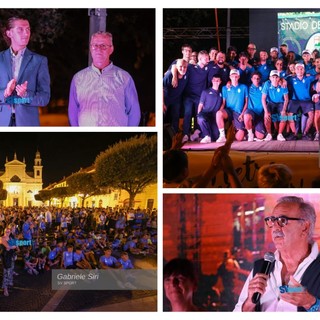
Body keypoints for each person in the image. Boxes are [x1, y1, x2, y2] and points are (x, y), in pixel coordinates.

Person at [234, 196, 320, 312]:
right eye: (273, 220)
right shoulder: (260, 267)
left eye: (282, 221)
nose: (275, 227)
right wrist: (250, 302)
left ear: (304, 227)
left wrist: (311, 303)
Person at [68, 31, 141, 126]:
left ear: (111, 49)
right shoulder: (78, 78)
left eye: (103, 46)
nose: (98, 49)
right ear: (90, 48)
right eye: (95, 45)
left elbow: (134, 111)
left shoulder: (124, 77)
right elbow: (73, 111)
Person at [0, 16, 51, 126]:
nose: (26, 33)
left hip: (27, 123)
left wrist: (26, 95)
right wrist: (6, 93)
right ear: (9, 33)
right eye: (20, 29)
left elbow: (45, 98)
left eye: (28, 29)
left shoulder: (39, 61)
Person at [216, 69, 248, 142]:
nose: (234, 78)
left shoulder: (244, 87)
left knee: (239, 138)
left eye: (236, 76)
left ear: (239, 77)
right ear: (230, 77)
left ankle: (240, 129)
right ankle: (222, 136)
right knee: (218, 113)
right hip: (229, 111)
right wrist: (220, 110)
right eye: (233, 76)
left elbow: (246, 102)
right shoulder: (225, 88)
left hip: (238, 113)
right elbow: (224, 102)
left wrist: (243, 113)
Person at [261, 70, 289, 141]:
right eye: (273, 77)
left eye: (276, 77)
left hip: (280, 103)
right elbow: (263, 98)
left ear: (279, 78)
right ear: (270, 78)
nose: (275, 79)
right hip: (270, 103)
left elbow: (286, 99)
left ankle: (280, 134)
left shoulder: (283, 84)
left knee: (284, 116)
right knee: (266, 116)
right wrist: (266, 111)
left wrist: (284, 110)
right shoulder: (267, 84)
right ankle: (269, 134)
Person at [163, 58, 188, 133]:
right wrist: (162, 102)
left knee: (176, 116)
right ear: (176, 67)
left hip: (176, 99)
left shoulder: (187, 73)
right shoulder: (169, 75)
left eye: (184, 67)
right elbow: (161, 88)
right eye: (180, 66)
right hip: (166, 98)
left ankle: (175, 135)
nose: (183, 68)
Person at [197, 74, 223, 143]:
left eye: (217, 80)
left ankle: (199, 134)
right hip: (205, 114)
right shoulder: (205, 92)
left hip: (214, 117)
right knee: (200, 118)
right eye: (214, 80)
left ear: (220, 82)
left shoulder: (221, 92)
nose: (215, 82)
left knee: (215, 137)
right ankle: (206, 136)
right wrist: (198, 116)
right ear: (212, 81)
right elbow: (200, 105)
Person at [244, 71, 266, 141]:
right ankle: (250, 134)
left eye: (258, 78)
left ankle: (254, 128)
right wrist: (228, 83)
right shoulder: (247, 87)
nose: (256, 80)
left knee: (260, 136)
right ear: (251, 79)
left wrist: (282, 80)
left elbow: (271, 82)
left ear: (260, 79)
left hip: (260, 114)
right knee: (246, 116)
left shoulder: (263, 86)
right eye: (254, 78)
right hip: (251, 111)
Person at [0, 227, 18, 296]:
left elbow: (15, 246)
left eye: (8, 231)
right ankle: (5, 289)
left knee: (10, 271)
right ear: (4, 231)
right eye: (6, 231)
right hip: (5, 258)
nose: (7, 233)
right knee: (6, 273)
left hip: (11, 257)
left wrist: (13, 249)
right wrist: (12, 246)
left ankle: (9, 285)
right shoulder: (2, 238)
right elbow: (8, 247)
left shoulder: (10, 238)